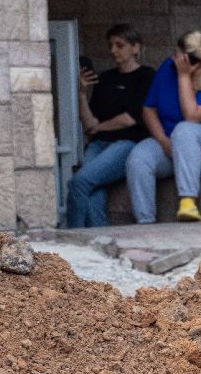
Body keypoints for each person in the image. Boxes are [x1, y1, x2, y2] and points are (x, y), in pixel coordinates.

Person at [125, 29, 201, 224]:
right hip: (169, 143)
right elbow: (148, 109)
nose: (174, 56)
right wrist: (163, 141)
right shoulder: (166, 68)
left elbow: (192, 115)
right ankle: (145, 221)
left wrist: (183, 77)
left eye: (178, 54)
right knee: (138, 159)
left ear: (190, 60)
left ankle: (188, 202)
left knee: (184, 130)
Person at [67, 24, 157, 229]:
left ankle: (73, 235)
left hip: (127, 143)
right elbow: (89, 123)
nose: (113, 50)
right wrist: (81, 93)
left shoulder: (147, 76)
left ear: (136, 48)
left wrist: (99, 128)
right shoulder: (106, 78)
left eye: (120, 45)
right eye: (111, 46)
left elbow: (130, 119)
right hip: (99, 144)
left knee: (78, 183)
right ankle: (101, 237)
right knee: (93, 190)